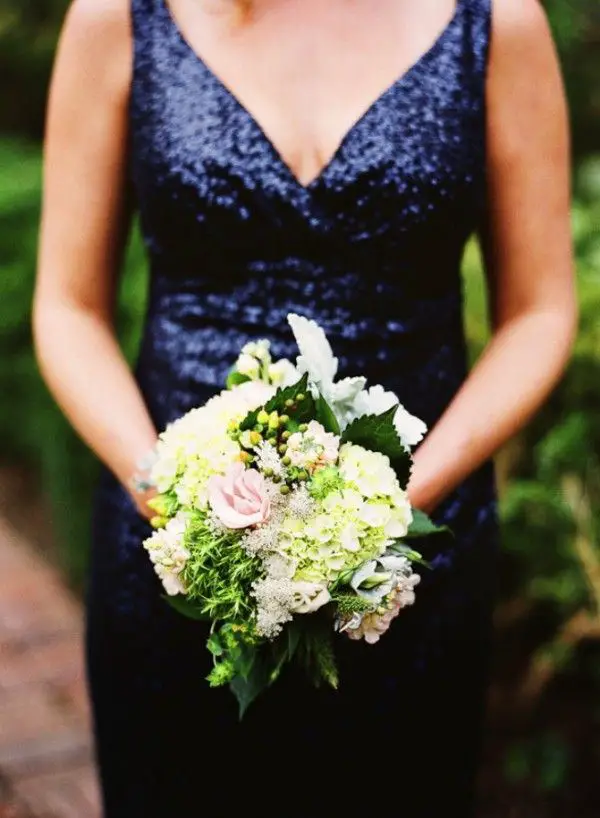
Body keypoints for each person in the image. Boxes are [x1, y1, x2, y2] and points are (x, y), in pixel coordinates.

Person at [33, 0, 576, 815]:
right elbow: (67, 307)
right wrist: (175, 500)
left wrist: (394, 506)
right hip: (177, 557)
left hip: (412, 561)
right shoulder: (119, 17)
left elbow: (540, 311)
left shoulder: (497, 23)